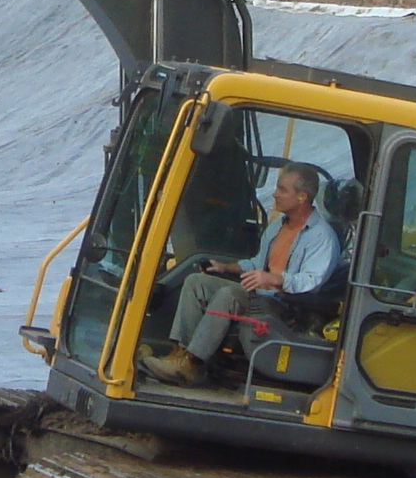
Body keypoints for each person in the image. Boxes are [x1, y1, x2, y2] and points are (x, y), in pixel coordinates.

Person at [141, 164, 340, 386]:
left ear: (302, 197)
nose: (275, 194)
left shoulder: (322, 237)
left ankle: (193, 365)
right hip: (260, 295)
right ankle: (180, 354)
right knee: (197, 282)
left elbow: (311, 282)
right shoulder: (277, 227)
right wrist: (227, 268)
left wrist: (273, 279)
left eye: (282, 189)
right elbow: (257, 262)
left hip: (285, 304)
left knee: (230, 294)